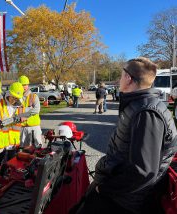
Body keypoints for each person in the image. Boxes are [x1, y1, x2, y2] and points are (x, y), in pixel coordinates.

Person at [75, 57, 177, 214]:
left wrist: (105, 189)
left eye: (122, 74)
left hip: (125, 201)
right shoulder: (139, 105)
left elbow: (144, 171)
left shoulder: (147, 112)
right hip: (119, 194)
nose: (118, 78)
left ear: (129, 78)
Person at [0, 82, 26, 159]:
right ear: (8, 94)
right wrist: (15, 119)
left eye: (17, 98)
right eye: (13, 97)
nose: (14, 100)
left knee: (11, 166)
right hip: (1, 143)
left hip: (13, 143)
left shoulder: (20, 106)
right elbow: (0, 123)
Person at [18, 75, 42, 147]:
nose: (23, 87)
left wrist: (25, 116)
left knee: (38, 148)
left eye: (25, 85)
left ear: (28, 85)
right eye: (22, 85)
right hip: (22, 128)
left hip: (34, 127)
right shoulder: (17, 97)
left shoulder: (33, 96)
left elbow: (36, 110)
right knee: (23, 149)